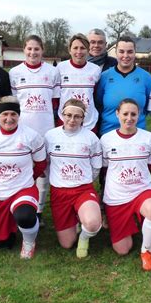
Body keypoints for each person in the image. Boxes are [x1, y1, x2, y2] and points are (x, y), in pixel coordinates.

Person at [0, 96, 47, 259]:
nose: (9, 119)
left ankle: (29, 242)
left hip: (23, 188)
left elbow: (41, 164)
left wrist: (27, 179)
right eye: (5, 114)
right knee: (3, 243)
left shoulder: (31, 136)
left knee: (25, 216)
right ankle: (10, 229)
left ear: (19, 115)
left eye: (13, 114)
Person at [100, 99, 151, 271]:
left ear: (139, 115)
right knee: (122, 249)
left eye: (133, 114)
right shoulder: (106, 140)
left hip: (141, 191)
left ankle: (146, 250)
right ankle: (134, 221)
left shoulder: (149, 139)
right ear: (117, 114)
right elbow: (104, 170)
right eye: (125, 114)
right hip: (116, 197)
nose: (129, 118)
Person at [9, 35, 61, 226]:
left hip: (46, 130)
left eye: (36, 49)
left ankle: (38, 210)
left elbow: (55, 102)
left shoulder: (52, 72)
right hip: (22, 130)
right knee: (22, 169)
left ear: (42, 50)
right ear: (24, 50)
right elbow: (14, 103)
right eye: (29, 49)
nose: (33, 52)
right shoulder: (14, 72)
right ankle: (19, 206)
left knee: (43, 171)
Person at [45, 99, 102, 258]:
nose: (72, 120)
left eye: (77, 116)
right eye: (68, 115)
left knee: (92, 223)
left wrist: (83, 179)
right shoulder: (50, 136)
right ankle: (76, 221)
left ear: (83, 118)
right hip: (59, 192)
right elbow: (46, 163)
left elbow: (96, 167)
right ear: (61, 115)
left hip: (83, 190)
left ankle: (84, 237)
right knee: (67, 243)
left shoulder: (91, 138)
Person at [96, 36, 151, 136]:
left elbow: (149, 107)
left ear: (135, 52)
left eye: (130, 52)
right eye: (121, 51)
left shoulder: (146, 78)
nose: (125, 55)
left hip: (137, 135)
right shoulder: (104, 76)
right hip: (108, 134)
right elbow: (98, 104)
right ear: (116, 52)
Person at [56, 33, 101, 132]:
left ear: (88, 50)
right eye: (75, 48)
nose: (79, 51)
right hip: (65, 120)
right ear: (70, 50)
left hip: (89, 122)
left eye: (82, 48)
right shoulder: (60, 68)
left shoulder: (95, 70)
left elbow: (96, 95)